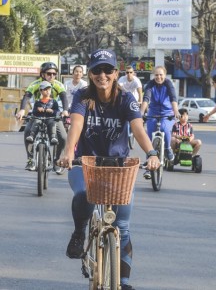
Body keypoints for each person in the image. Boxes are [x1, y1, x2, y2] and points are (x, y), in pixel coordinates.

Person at [57, 48, 160, 290]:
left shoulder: (126, 99)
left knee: (122, 226)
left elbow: (137, 128)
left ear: (116, 73)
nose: (102, 75)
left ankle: (123, 282)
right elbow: (77, 126)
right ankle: (80, 231)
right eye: (96, 70)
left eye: (107, 70)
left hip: (118, 166)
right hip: (85, 163)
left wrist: (152, 153)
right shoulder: (82, 97)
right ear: (90, 74)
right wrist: (69, 152)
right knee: (84, 196)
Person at [15, 62, 68, 171]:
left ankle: (57, 160)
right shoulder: (35, 84)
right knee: (27, 132)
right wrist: (21, 110)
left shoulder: (58, 84)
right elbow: (27, 96)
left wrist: (65, 111)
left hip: (53, 116)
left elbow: (64, 98)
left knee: (63, 137)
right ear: (42, 74)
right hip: (36, 115)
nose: (52, 76)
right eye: (49, 74)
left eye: (54, 74)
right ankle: (30, 160)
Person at [140, 65, 181, 179]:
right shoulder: (150, 84)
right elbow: (146, 99)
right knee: (149, 137)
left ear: (165, 75)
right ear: (154, 76)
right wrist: (141, 112)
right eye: (156, 75)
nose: (158, 77)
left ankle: (167, 149)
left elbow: (173, 99)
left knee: (164, 128)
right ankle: (149, 166)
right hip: (153, 113)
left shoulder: (168, 84)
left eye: (161, 75)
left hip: (167, 114)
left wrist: (176, 111)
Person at [26, 81, 59, 145]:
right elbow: (34, 112)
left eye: (49, 89)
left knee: (52, 122)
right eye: (45, 89)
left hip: (49, 118)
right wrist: (38, 110)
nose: (47, 91)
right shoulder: (37, 102)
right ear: (41, 91)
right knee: (36, 121)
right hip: (39, 118)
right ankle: (32, 136)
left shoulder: (54, 101)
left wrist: (52, 111)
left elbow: (57, 111)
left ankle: (53, 137)